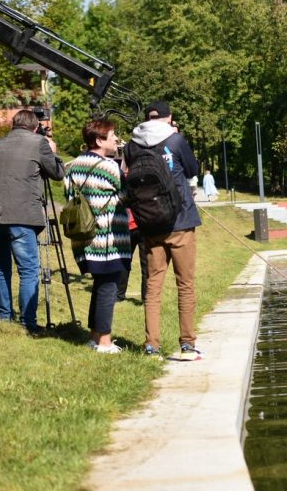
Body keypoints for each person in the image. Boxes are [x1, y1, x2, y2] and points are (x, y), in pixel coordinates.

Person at [125, 101, 203, 360]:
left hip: (149, 224)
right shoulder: (176, 140)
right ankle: (187, 344)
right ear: (169, 118)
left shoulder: (132, 145)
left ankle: (151, 345)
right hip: (180, 222)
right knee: (185, 284)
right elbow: (193, 171)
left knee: (153, 286)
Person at [0, 109, 64, 334]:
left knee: (1, 268)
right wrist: (53, 151)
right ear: (35, 127)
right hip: (21, 215)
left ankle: (4, 317)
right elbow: (57, 173)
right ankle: (28, 322)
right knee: (28, 270)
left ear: (13, 125)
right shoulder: (38, 143)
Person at [65, 119, 131, 354]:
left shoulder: (71, 165)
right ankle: (104, 342)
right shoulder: (110, 167)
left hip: (83, 237)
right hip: (107, 240)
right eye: (112, 135)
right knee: (109, 287)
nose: (116, 139)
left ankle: (94, 337)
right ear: (99, 139)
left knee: (101, 284)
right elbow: (126, 197)